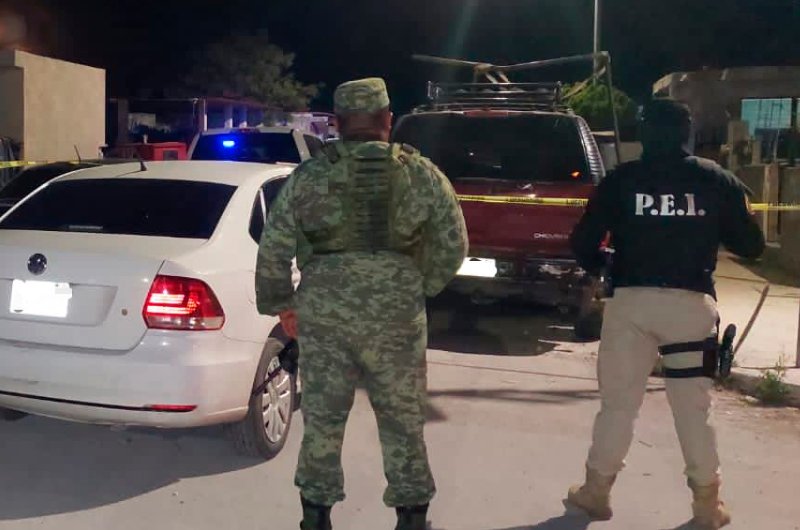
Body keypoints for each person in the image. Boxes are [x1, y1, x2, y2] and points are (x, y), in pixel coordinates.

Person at [255, 78, 468, 530]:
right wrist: (417, 285)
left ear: (337, 123)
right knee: (403, 420)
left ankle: (316, 518)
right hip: (397, 318)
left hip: (324, 316)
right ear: (387, 120)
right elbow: (454, 244)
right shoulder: (422, 173)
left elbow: (274, 247)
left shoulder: (308, 177)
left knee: (323, 421)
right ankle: (412, 519)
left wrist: (283, 306)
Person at [566, 99, 765, 529]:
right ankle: (707, 505)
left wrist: (605, 266)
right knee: (693, 410)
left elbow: (582, 243)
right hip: (692, 308)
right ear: (686, 133)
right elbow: (752, 247)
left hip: (631, 305)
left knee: (618, 406)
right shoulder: (717, 180)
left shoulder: (622, 180)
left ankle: (596, 492)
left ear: (643, 133)